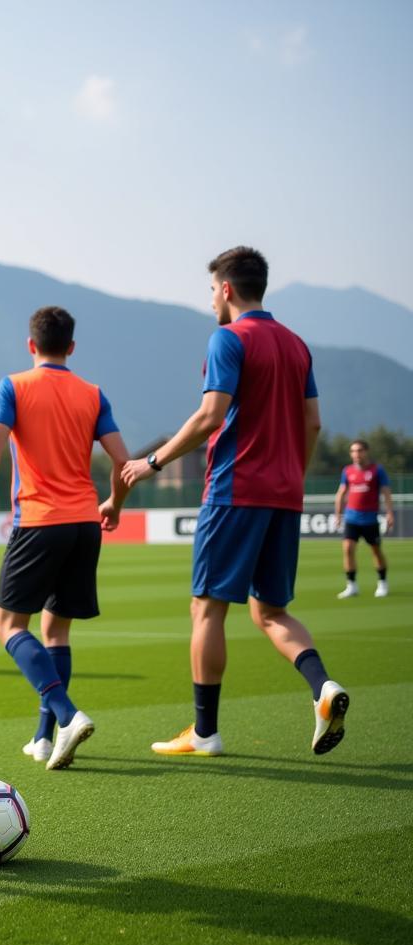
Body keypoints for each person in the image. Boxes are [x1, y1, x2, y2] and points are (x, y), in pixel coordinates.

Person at [122, 246, 349, 757]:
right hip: (285, 496)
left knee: (207, 608)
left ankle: (205, 732)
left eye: (211, 292)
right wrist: (292, 472)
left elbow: (209, 417)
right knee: (271, 610)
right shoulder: (296, 344)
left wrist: (150, 463)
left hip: (234, 491)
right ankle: (323, 687)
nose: (210, 303)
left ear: (226, 289)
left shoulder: (228, 338)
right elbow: (313, 423)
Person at [0, 306, 131, 770]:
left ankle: (67, 714)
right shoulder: (92, 393)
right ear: (71, 347)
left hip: (39, 521)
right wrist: (113, 504)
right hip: (84, 524)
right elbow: (124, 461)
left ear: (31, 345)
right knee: (55, 630)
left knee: (8, 626)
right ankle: (44, 738)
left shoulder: (14, 386)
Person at [334, 439, 394, 598]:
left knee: (376, 550)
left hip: (369, 519)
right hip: (351, 518)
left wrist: (389, 513)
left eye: (359, 450)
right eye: (353, 451)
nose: (356, 454)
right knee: (347, 549)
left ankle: (382, 582)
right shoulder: (347, 471)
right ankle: (351, 585)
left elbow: (386, 492)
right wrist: (338, 514)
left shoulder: (377, 470)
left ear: (366, 452)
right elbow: (341, 493)